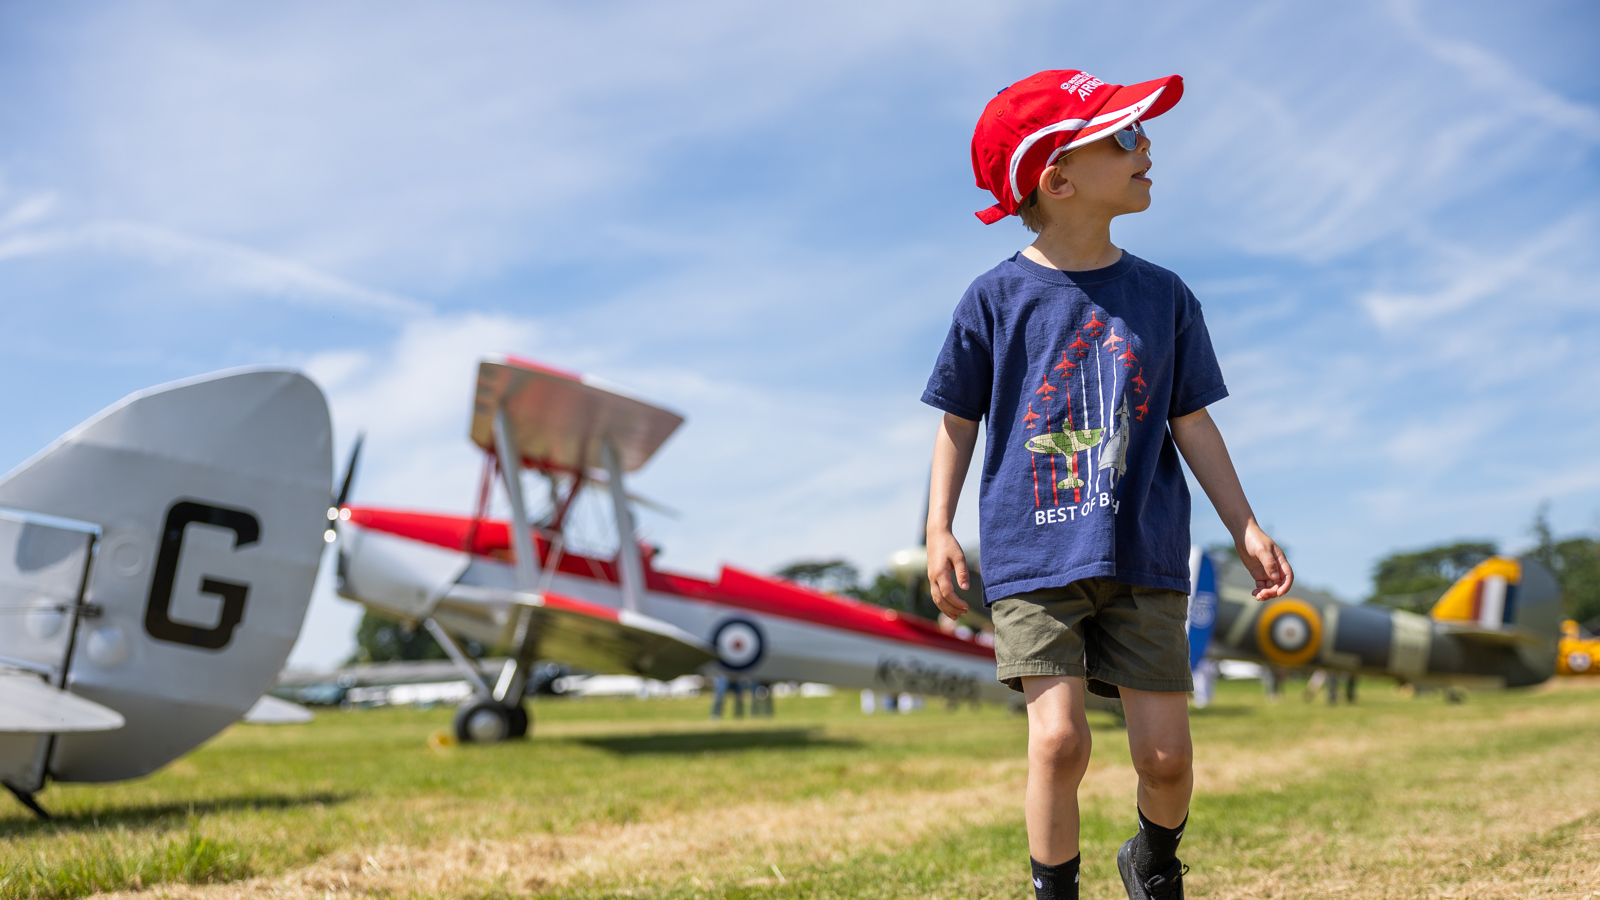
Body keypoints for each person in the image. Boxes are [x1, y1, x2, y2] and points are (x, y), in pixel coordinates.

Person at [922, 69, 1293, 900]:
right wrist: (939, 527)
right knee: (1058, 742)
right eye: (1124, 137)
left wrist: (1246, 526)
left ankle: (1153, 861)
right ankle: (1054, 890)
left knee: (1165, 759)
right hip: (1033, 555)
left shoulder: (1165, 296)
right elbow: (957, 417)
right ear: (1056, 180)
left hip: (1145, 550)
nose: (1147, 147)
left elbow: (1192, 421)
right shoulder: (993, 299)